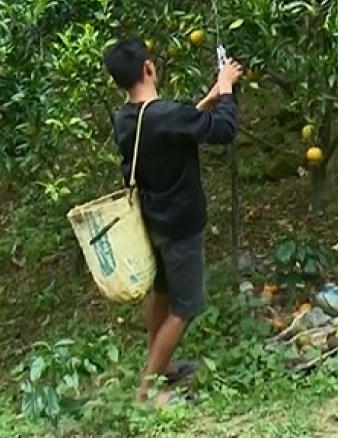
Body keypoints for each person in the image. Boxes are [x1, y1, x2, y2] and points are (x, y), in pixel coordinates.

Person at [102, 37, 242, 407]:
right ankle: (146, 392)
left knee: (162, 294)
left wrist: (209, 98)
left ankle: (160, 367)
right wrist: (227, 89)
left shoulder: (127, 118)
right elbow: (223, 131)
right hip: (180, 225)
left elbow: (167, 135)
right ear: (148, 67)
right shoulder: (167, 114)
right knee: (185, 307)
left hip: (153, 223)